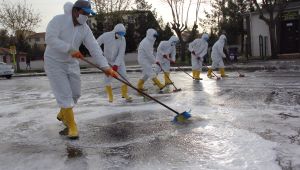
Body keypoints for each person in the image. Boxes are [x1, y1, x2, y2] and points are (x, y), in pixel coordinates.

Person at [44, 0, 117, 139]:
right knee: (64, 94)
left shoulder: (85, 28)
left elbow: (94, 48)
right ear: (76, 11)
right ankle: (72, 126)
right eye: (85, 13)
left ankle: (63, 113)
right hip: (54, 62)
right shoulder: (58, 20)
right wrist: (69, 49)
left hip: (71, 62)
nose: (87, 17)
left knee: (76, 94)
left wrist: (106, 66)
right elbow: (50, 38)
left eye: (89, 14)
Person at [97, 23, 132, 103]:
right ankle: (110, 96)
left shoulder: (123, 39)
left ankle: (124, 94)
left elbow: (121, 52)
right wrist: (99, 53)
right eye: (120, 33)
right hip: (107, 61)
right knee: (107, 79)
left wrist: (116, 64)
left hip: (119, 61)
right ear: (115, 31)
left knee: (124, 77)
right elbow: (96, 44)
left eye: (123, 34)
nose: (121, 35)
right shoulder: (106, 36)